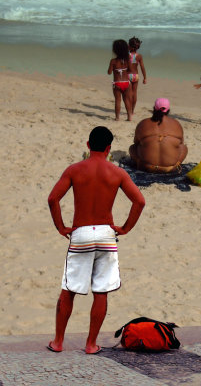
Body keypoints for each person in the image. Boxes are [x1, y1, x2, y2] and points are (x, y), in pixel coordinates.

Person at [47, 126, 145, 354]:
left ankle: (58, 342)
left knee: (69, 290)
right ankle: (91, 344)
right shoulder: (117, 173)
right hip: (106, 233)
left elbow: (53, 199)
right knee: (100, 292)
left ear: (88, 145)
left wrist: (61, 227)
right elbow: (139, 201)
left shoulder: (74, 170)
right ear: (109, 148)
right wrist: (126, 228)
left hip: (81, 232)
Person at [129, 98, 188, 173]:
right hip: (170, 168)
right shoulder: (176, 124)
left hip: (147, 166)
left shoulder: (143, 123)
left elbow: (136, 142)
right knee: (184, 148)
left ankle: (140, 163)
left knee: (132, 148)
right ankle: (176, 165)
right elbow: (181, 143)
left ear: (154, 108)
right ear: (168, 110)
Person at [107, 39, 134, 121]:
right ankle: (129, 117)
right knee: (127, 100)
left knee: (117, 101)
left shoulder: (113, 61)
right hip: (126, 83)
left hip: (117, 83)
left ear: (115, 50)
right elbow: (131, 70)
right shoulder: (127, 60)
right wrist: (125, 71)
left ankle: (117, 117)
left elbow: (109, 72)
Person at [128, 36, 147, 116]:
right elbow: (142, 67)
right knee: (134, 93)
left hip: (128, 75)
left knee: (128, 94)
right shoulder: (139, 56)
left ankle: (128, 110)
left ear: (130, 46)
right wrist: (145, 77)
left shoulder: (126, 55)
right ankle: (132, 111)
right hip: (135, 75)